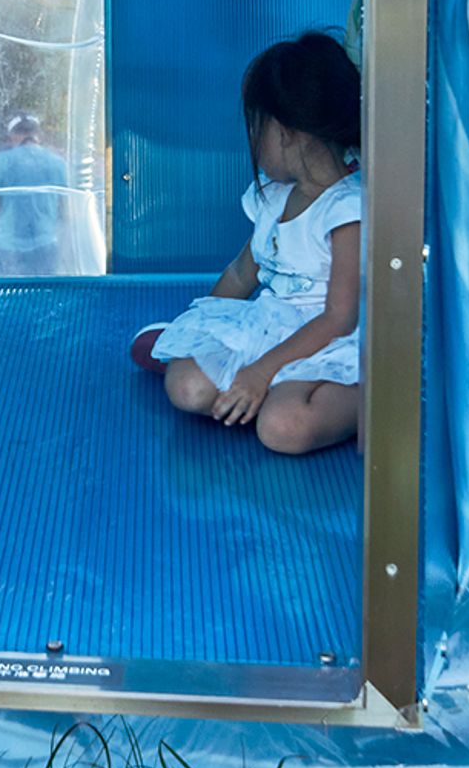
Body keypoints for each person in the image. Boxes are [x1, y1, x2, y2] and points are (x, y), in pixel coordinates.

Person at [129, 32, 366, 457]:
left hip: (328, 344)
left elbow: (339, 318)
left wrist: (260, 373)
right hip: (271, 329)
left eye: (256, 127)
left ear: (285, 131)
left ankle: (365, 398)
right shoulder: (274, 197)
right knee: (187, 386)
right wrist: (194, 330)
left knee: (283, 428)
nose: (252, 141)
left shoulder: (346, 208)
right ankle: (252, 389)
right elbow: (242, 273)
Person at [0, 107, 73, 279]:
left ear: (12, 135)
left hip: (6, 244)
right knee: (44, 292)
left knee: (9, 292)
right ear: (38, 134)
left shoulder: (2, 160)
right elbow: (65, 211)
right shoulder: (58, 163)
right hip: (45, 243)